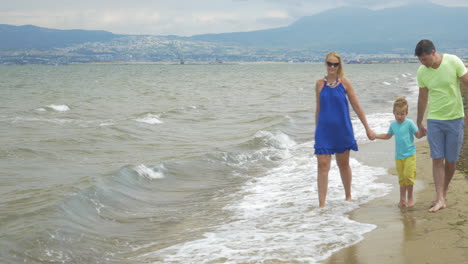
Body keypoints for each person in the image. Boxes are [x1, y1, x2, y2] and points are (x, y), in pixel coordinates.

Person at [314, 51, 375, 208]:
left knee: (343, 163)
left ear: (339, 65)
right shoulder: (319, 84)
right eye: (329, 63)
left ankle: (348, 196)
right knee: (322, 164)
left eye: (335, 64)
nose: (332, 67)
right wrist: (316, 131)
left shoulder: (345, 83)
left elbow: (356, 106)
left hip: (342, 129)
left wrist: (367, 128)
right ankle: (321, 205)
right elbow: (318, 109)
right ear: (325, 64)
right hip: (324, 130)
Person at [414, 39, 468, 212]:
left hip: (455, 118)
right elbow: (423, 97)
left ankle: (443, 192)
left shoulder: (453, 61)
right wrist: (419, 122)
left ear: (433, 53)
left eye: (425, 59)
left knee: (451, 161)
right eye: (420, 60)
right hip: (435, 119)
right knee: (437, 159)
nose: (423, 63)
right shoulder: (422, 71)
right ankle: (439, 198)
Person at [375, 97, 424, 208]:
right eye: (397, 114)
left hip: (410, 155)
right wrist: (376, 135)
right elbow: (387, 136)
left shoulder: (409, 123)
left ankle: (410, 198)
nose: (400, 116)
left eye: (402, 114)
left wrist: (423, 132)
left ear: (406, 113)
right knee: (401, 179)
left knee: (408, 176)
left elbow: (418, 135)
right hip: (398, 156)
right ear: (393, 113)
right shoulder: (393, 125)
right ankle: (402, 199)